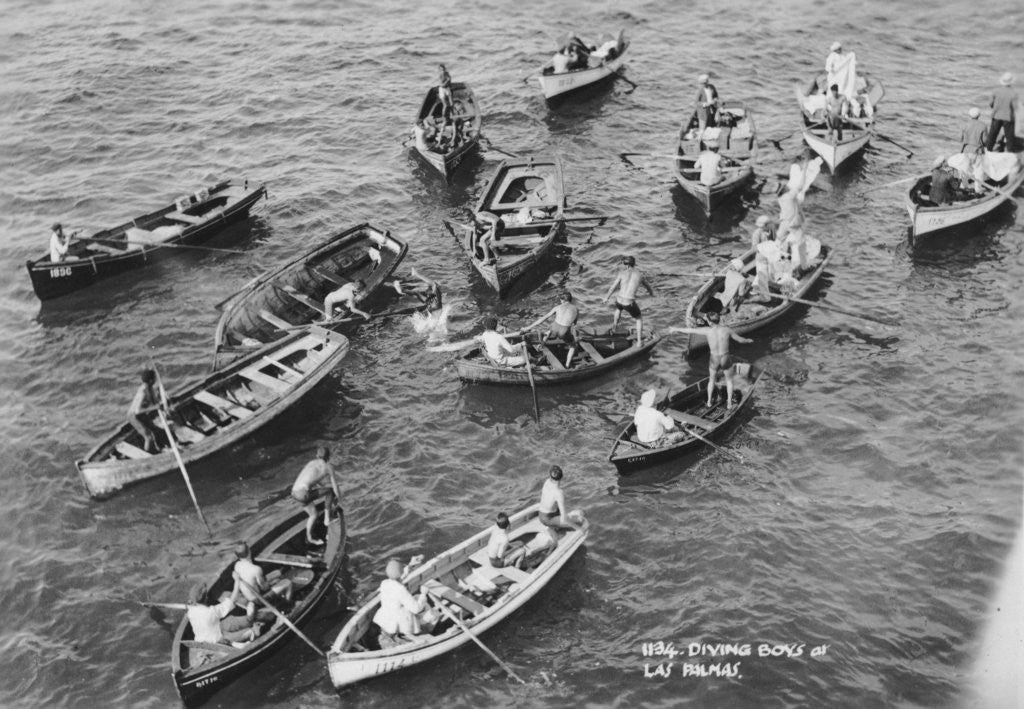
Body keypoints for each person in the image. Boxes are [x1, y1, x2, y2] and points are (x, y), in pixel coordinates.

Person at [667, 312, 753, 408]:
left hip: (714, 358)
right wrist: (748, 340)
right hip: (724, 357)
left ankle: (709, 402)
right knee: (729, 380)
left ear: (710, 322)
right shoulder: (726, 330)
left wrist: (675, 329)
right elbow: (740, 340)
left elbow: (690, 330)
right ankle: (729, 403)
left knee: (711, 380)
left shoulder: (707, 330)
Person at [232, 542, 294, 622]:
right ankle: (286, 606)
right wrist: (273, 582)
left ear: (237, 556)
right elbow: (264, 587)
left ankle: (280, 572)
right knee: (287, 582)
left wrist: (273, 577)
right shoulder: (256, 569)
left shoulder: (237, 565)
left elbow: (255, 581)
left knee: (276, 573)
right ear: (249, 552)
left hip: (249, 595)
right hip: (259, 599)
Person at [185, 582, 261, 647]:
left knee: (229, 621)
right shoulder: (212, 611)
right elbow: (232, 600)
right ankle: (251, 630)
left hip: (202, 639)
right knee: (250, 632)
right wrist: (237, 582)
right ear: (206, 598)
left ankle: (249, 620)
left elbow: (190, 604)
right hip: (219, 641)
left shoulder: (191, 611)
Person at [603, 255, 654, 348]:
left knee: (618, 309)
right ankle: (639, 342)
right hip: (629, 302)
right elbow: (648, 287)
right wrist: (652, 294)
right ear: (634, 264)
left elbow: (613, 287)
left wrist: (606, 298)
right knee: (639, 318)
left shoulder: (621, 273)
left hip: (619, 299)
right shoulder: (640, 275)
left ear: (626, 265)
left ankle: (614, 328)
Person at [291, 446, 338, 546]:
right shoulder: (328, 467)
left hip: (294, 493)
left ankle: (309, 538)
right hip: (303, 494)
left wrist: (323, 488)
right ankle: (327, 520)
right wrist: (338, 497)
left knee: (314, 515)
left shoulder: (311, 463)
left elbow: (315, 480)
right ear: (328, 457)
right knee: (330, 491)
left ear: (317, 456)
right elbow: (334, 487)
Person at [372, 559, 430, 639]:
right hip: (400, 621)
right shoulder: (400, 589)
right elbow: (416, 609)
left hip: (387, 619)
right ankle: (417, 633)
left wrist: (410, 565)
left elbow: (398, 576)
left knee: (415, 598)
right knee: (425, 607)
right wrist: (424, 594)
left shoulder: (384, 583)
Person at [522, 291, 579, 367]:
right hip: (564, 331)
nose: (560, 302)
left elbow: (542, 319)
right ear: (570, 300)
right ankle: (567, 364)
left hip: (554, 328)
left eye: (561, 300)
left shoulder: (557, 307)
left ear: (562, 300)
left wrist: (527, 328)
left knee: (549, 331)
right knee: (573, 346)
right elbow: (574, 324)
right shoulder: (576, 309)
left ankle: (541, 344)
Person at [538, 465, 584, 531]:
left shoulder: (547, 482)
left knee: (570, 511)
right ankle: (553, 527)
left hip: (542, 515)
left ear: (550, 476)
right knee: (580, 516)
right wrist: (579, 528)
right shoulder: (559, 493)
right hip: (548, 520)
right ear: (561, 477)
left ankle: (555, 525)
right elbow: (564, 519)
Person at [127, 369, 161, 453]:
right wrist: (155, 408)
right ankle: (148, 454)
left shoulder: (150, 387)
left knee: (155, 430)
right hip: (134, 416)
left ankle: (157, 448)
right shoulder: (143, 392)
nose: (156, 379)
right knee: (148, 436)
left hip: (141, 414)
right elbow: (137, 410)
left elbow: (154, 401)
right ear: (151, 380)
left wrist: (159, 396)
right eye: (155, 378)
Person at [986, 72, 1018, 152]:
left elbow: (990, 103)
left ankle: (987, 152)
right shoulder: (1013, 93)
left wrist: (995, 108)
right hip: (1008, 117)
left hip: (996, 115)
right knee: (1009, 138)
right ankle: (1010, 155)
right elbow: (1015, 107)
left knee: (992, 136)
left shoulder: (996, 91)